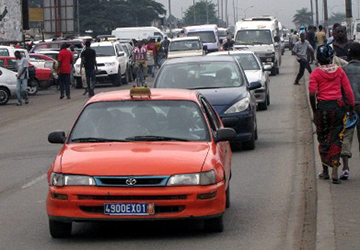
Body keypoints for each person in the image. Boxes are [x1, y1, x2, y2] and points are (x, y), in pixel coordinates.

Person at [309, 45, 355, 184]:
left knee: (323, 139)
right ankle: (335, 170)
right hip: (338, 108)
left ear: (318, 58)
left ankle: (325, 171)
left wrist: (315, 110)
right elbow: (348, 92)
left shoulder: (316, 74)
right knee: (336, 139)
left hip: (323, 109)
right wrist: (351, 108)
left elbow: (312, 93)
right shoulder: (340, 71)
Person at [339, 43, 360, 180]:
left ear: (349, 55)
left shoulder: (343, 70)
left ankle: (345, 168)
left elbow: (340, 90)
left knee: (346, 137)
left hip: (348, 107)